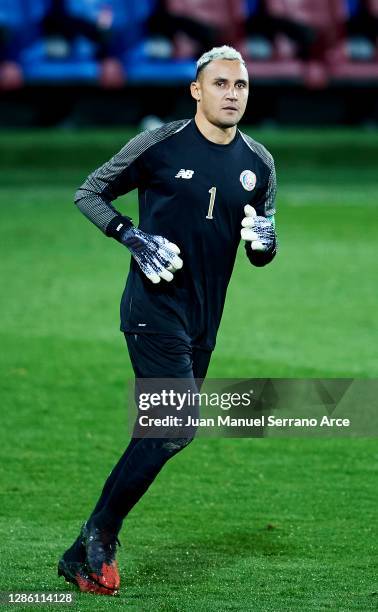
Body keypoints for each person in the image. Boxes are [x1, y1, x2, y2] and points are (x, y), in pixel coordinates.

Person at [58, 45, 278, 596]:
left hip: (206, 317)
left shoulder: (260, 162)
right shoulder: (160, 144)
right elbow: (89, 192)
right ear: (197, 91)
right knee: (173, 426)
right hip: (153, 311)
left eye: (241, 86)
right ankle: (99, 535)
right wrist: (129, 235)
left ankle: (80, 548)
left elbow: (257, 249)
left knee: (167, 432)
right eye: (222, 84)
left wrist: (267, 245)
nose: (232, 94)